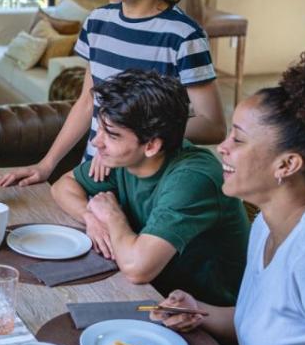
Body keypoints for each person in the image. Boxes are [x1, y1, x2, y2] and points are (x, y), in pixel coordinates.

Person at [0, 0, 226, 188]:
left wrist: (137, 140)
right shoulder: (97, 22)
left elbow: (213, 125)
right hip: (93, 176)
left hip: (149, 186)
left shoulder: (183, 36)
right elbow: (87, 102)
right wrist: (46, 165)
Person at [152, 51, 305, 345]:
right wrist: (197, 311)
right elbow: (261, 327)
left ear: (287, 165)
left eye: (237, 139)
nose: (222, 147)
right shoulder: (266, 224)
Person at [51, 70, 249, 306]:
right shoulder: (126, 158)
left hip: (202, 316)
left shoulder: (192, 178)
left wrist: (112, 216)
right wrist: (90, 217)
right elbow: (63, 186)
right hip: (151, 295)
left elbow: (137, 269)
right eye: (101, 128)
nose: (96, 141)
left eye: (112, 135)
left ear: (152, 145)